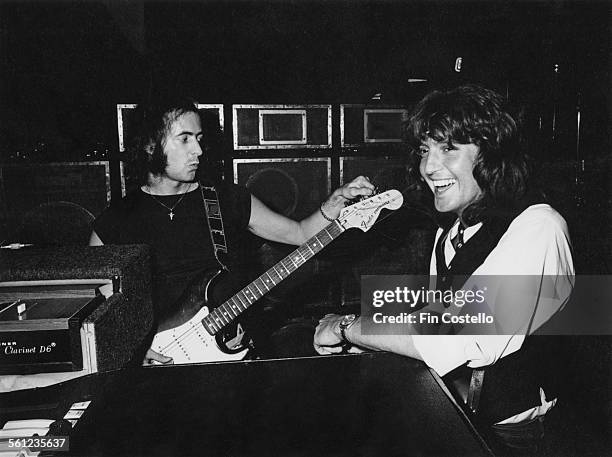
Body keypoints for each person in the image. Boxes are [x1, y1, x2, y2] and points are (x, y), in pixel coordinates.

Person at [314, 85, 574, 455]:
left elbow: (461, 336)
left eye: (448, 148)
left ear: (492, 153)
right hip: (459, 414)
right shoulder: (450, 231)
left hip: (513, 437)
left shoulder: (539, 226)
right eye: (425, 150)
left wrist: (346, 327)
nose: (428, 167)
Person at [90, 95, 374, 364]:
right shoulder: (115, 222)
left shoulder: (226, 199)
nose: (198, 150)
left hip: (225, 358)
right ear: (150, 145)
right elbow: (95, 310)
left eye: (199, 139)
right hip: (153, 369)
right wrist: (131, 348)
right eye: (184, 139)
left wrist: (335, 202)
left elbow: (299, 234)